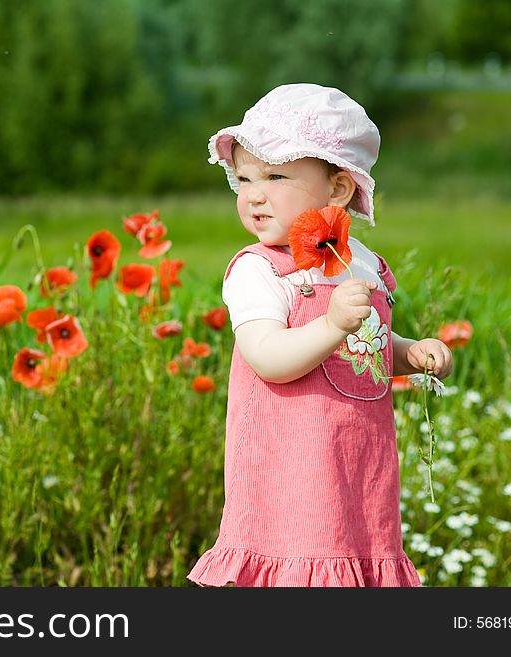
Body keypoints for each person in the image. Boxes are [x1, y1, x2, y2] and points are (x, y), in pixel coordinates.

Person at [187, 83, 453, 587]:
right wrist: (330, 324)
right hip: (292, 474)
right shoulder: (260, 271)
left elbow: (365, 348)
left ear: (337, 190)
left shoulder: (362, 265)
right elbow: (266, 356)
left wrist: (410, 353)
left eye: (275, 175)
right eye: (243, 179)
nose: (253, 194)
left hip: (359, 472)